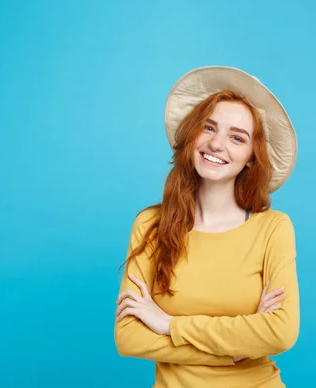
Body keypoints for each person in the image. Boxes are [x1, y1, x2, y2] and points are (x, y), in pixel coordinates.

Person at [114, 66, 300, 388]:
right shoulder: (150, 225)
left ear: (251, 158)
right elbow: (129, 338)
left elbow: (280, 332)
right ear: (192, 136)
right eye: (208, 127)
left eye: (237, 137)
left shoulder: (273, 229)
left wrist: (168, 324)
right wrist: (236, 347)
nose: (216, 144)